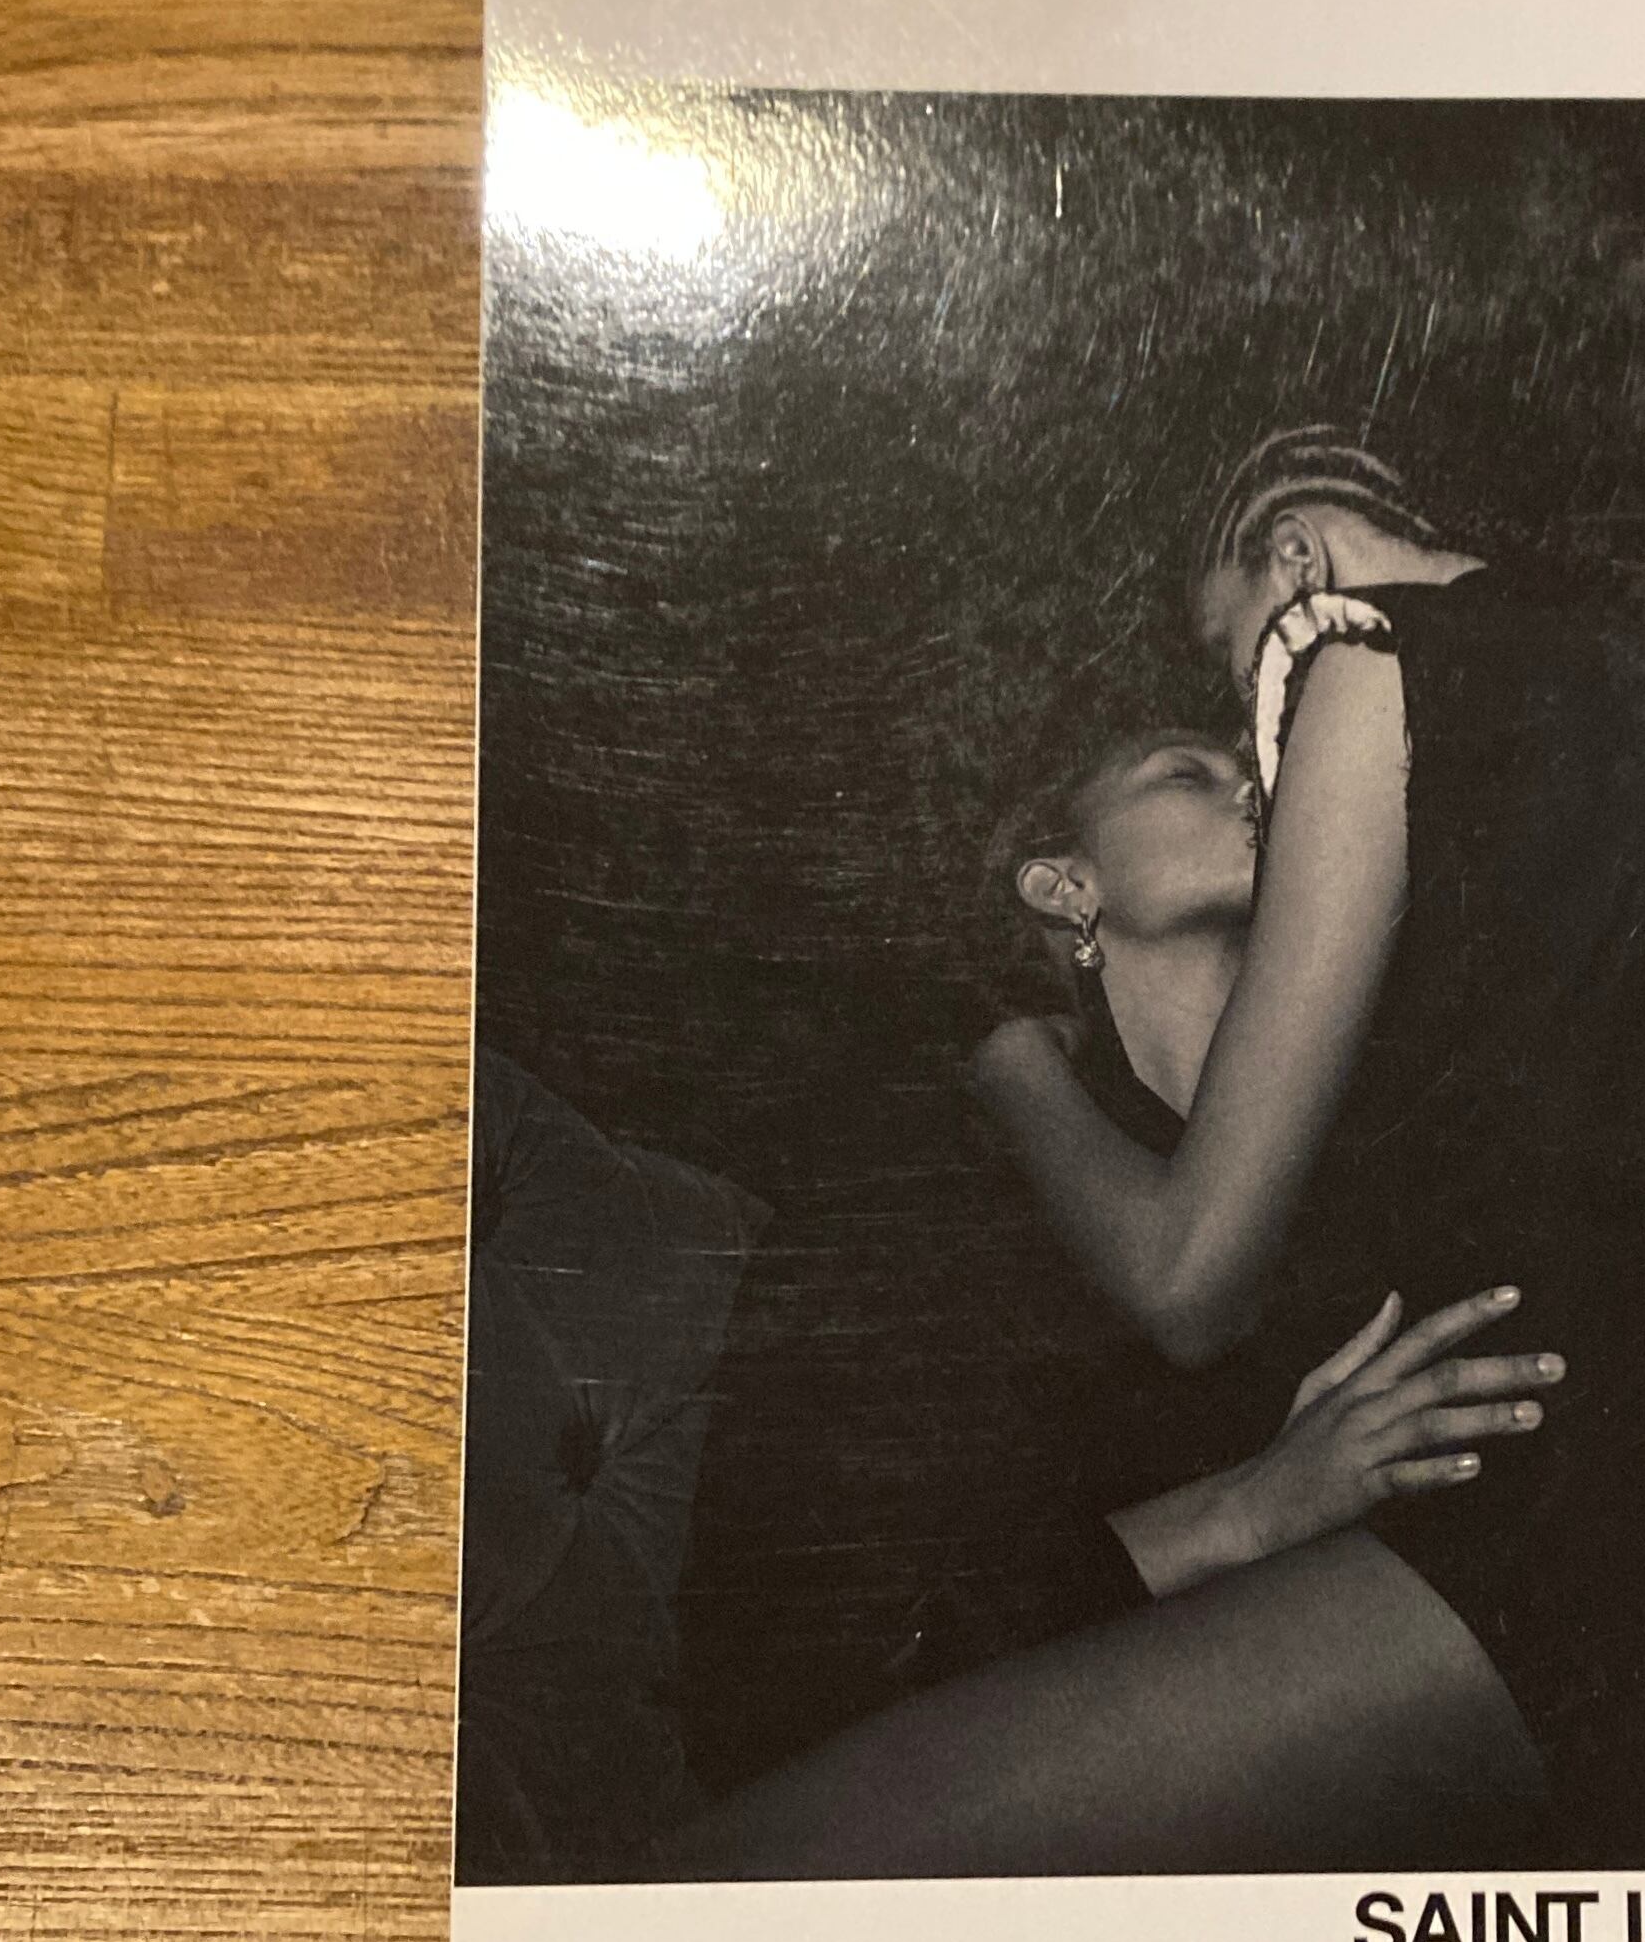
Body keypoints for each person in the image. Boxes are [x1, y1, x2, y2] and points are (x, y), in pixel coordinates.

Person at [970, 430, 1645, 1863]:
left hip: (1571, 1525)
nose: (1255, 766)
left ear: (1296, 565)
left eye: (1234, 666)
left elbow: (1185, 1278)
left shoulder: (1360, 660)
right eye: (1194, 754)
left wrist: (1002, 1060)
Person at [661, 723, 1569, 1878]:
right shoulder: (932, 1184)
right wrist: (1249, 1507)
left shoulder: (1369, 1154)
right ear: (1065, 886)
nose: (1258, 783)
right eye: (1188, 772)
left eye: (1254, 764)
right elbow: (805, 1659)